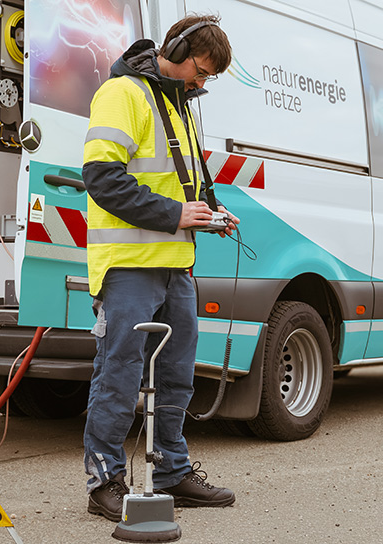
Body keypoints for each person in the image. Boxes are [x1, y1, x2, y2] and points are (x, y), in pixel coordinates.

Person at [80, 14, 240, 522]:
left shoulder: (178, 104)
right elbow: (101, 177)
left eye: (209, 77)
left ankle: (172, 470)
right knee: (119, 374)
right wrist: (174, 215)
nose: (202, 82)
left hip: (176, 268)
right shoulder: (122, 94)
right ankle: (104, 480)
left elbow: (185, 178)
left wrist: (211, 209)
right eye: (202, 69)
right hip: (128, 265)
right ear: (177, 47)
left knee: (176, 376)